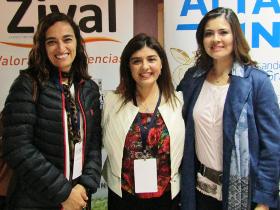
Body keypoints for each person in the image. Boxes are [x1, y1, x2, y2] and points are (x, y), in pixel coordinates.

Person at [177, 7, 280, 210]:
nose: (216, 39)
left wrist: (264, 202)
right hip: (201, 194)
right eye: (209, 33)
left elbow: (272, 147)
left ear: (235, 36)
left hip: (245, 197)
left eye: (223, 32)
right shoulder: (192, 79)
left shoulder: (257, 82)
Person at [2, 12, 102, 210]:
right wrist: (64, 193)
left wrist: (84, 186)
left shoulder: (89, 88)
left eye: (67, 39)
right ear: (42, 47)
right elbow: (17, 147)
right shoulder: (27, 85)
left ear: (78, 43)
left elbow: (94, 144)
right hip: (34, 201)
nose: (61, 48)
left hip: (77, 199)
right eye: (51, 42)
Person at [102, 33, 185, 210]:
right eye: (136, 61)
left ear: (162, 64)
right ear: (128, 66)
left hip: (166, 197)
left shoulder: (178, 102)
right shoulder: (112, 101)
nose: (145, 66)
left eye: (151, 59)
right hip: (123, 198)